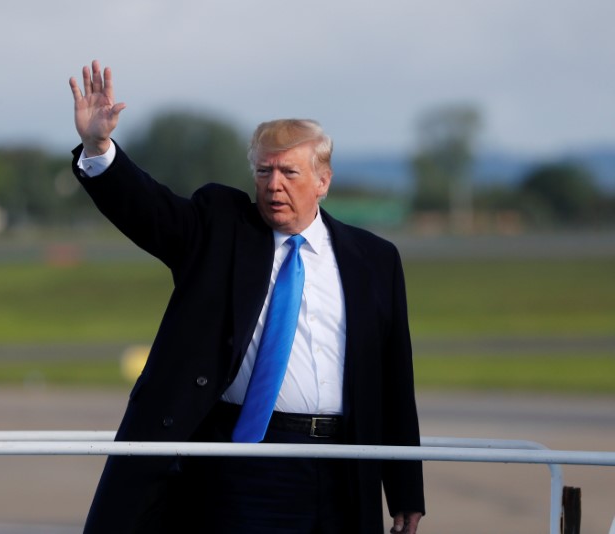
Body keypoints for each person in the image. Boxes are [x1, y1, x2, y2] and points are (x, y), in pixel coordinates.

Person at [69, 60, 425, 534]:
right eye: (264, 171)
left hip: (344, 462)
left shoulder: (375, 260)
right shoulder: (220, 228)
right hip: (244, 461)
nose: (274, 185)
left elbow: (393, 379)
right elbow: (148, 210)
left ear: (323, 180)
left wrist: (404, 489)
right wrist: (99, 147)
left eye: (289, 173)